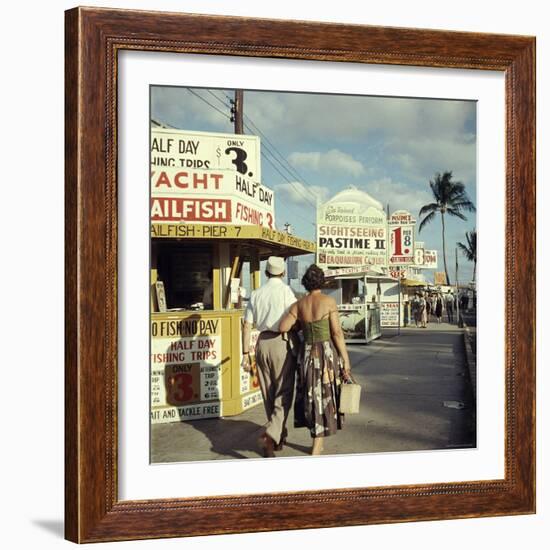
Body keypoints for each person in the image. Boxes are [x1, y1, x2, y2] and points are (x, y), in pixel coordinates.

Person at [279, 264, 351, 456]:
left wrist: (300, 326)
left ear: (305, 283)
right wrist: (345, 359)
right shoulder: (328, 302)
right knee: (324, 396)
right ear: (322, 281)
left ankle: (316, 440)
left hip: (307, 353)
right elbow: (336, 333)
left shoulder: (299, 304)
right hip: (325, 353)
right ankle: (317, 445)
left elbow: (283, 327)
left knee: (311, 395)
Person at [241, 256, 298, 457]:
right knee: (284, 391)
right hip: (281, 342)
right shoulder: (286, 291)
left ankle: (278, 436)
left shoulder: (256, 294)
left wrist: (245, 352)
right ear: (282, 273)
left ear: (266, 272)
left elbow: (247, 324)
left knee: (268, 392)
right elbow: (295, 316)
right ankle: (271, 435)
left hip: (261, 343)